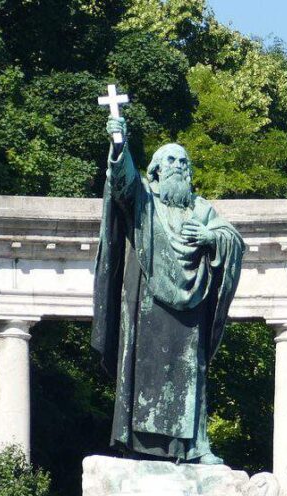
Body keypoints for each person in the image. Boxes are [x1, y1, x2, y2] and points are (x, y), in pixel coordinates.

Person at [91, 116, 243, 464]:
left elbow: (234, 240)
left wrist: (210, 237)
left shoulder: (202, 209)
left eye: (183, 161)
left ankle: (195, 446)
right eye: (170, 160)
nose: (178, 166)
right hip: (146, 304)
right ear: (156, 170)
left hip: (191, 310)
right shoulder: (145, 201)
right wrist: (119, 145)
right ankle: (136, 445)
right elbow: (122, 184)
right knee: (141, 369)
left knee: (192, 371)